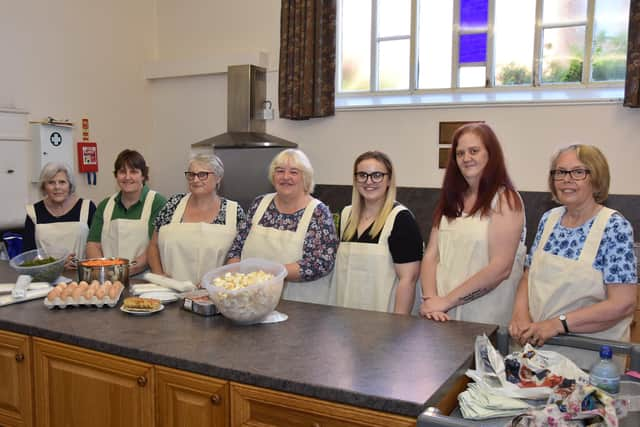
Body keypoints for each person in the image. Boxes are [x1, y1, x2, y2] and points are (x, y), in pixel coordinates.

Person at [509, 144, 637, 368]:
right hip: (538, 351)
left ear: (596, 179)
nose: (567, 179)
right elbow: (529, 276)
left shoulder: (614, 226)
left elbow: (623, 303)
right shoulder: (548, 219)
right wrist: (520, 316)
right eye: (560, 172)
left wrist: (558, 324)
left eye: (578, 172)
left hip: (591, 358)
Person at [420, 123, 526, 326]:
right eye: (460, 153)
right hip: (441, 316)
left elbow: (500, 268)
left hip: (484, 318)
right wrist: (431, 299)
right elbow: (432, 254)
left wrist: (446, 301)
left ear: (490, 154)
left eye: (474, 151)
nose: (466, 158)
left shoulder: (505, 200)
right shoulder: (452, 200)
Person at [227, 149, 338, 304]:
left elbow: (321, 262)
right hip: (251, 301)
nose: (286, 177)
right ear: (273, 176)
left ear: (305, 177)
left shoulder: (318, 212)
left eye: (294, 172)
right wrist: (232, 282)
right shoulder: (259, 204)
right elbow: (236, 248)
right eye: (280, 171)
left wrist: (268, 272)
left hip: (299, 305)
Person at [330, 151, 423, 314]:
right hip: (345, 318)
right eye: (362, 175)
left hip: (384, 323)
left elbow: (408, 280)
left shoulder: (401, 219)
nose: (369, 181)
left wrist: (398, 326)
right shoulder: (346, 216)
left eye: (377, 175)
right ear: (355, 179)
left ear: (389, 180)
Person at [147, 154, 246, 285]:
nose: (195, 180)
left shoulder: (234, 212)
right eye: (191, 175)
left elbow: (239, 255)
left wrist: (220, 281)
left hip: (214, 295)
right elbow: (153, 245)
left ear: (218, 178)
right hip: (170, 292)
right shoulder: (173, 204)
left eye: (202, 174)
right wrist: (159, 276)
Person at [86, 149, 166, 275]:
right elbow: (93, 244)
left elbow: (155, 246)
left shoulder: (157, 202)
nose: (127, 177)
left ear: (143, 175)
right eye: (122, 172)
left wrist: (126, 270)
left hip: (145, 280)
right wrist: (103, 271)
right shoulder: (105, 205)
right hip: (108, 278)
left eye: (134, 172)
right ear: (116, 175)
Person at [23, 162, 96, 270]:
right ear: (44, 187)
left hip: (82, 276)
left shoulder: (87, 208)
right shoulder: (33, 212)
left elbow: (97, 246)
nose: (57, 187)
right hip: (45, 279)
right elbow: (28, 255)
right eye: (51, 182)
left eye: (62, 182)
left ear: (70, 185)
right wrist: (56, 264)